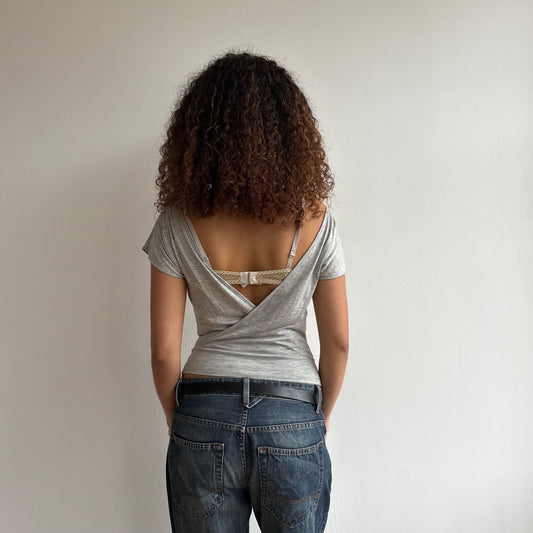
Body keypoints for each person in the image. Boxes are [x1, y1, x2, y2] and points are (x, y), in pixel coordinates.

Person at [142, 50, 349, 533]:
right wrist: (314, 420)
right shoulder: (317, 221)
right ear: (290, 133)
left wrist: (182, 422)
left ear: (199, 133)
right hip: (292, 407)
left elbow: (162, 353)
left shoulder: (176, 223)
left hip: (203, 408)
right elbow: (338, 343)